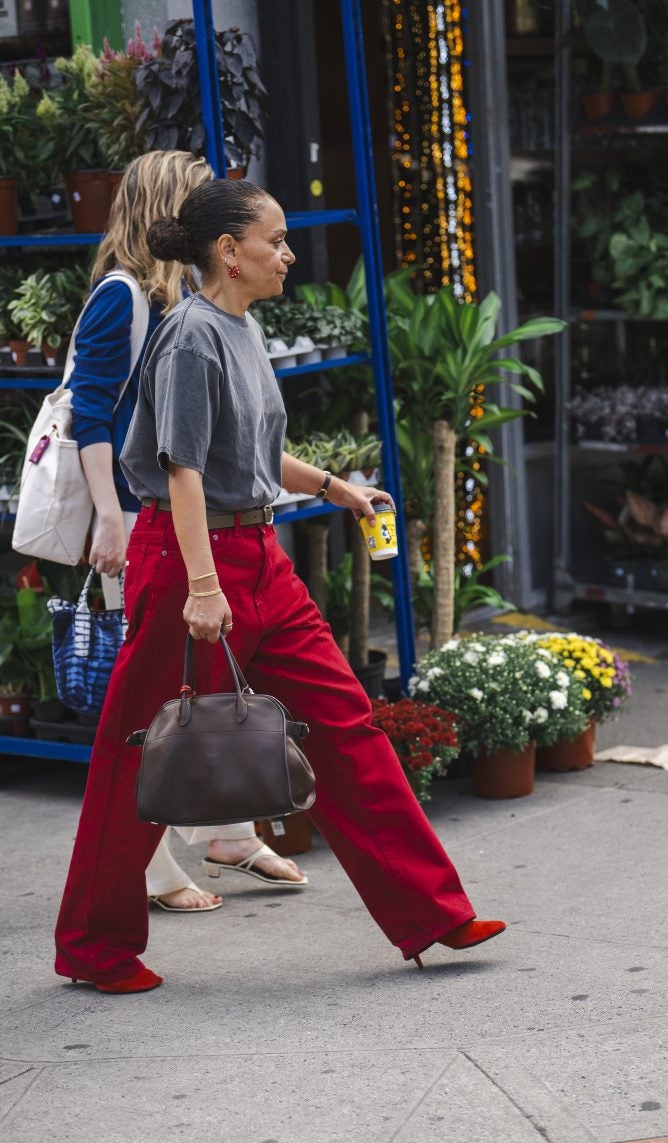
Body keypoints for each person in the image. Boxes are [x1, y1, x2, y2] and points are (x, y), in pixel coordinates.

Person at [54, 178, 505, 994]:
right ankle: (93, 946)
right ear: (230, 251)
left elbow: (252, 454)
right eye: (278, 240)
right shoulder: (191, 335)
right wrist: (201, 587)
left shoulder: (241, 326)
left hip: (259, 555)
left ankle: (433, 913)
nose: (290, 254)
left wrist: (335, 487)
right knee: (137, 749)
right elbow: (183, 472)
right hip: (189, 559)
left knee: (346, 725)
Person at [69, 151, 307, 913]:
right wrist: (111, 514)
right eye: (199, 196)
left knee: (211, 693)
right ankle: (159, 869)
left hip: (204, 519)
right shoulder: (129, 299)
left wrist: (330, 485)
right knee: (159, 709)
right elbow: (91, 412)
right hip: (153, 518)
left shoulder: (201, 307)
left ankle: (228, 832)